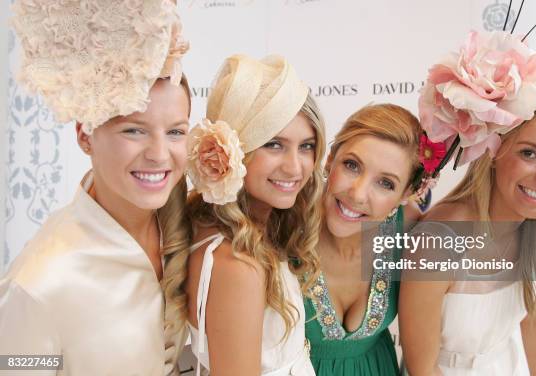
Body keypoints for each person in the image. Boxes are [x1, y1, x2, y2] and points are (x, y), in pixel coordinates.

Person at [0, 1, 191, 375]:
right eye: (133, 130)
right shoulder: (37, 286)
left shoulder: (188, 227)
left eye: (175, 132)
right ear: (85, 136)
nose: (159, 154)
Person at [399, 30, 536, 376]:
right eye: (530, 154)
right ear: (493, 151)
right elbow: (422, 368)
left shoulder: (535, 226)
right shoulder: (437, 242)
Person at [184, 54, 325, 376]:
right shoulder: (238, 266)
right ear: (235, 149)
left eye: (306, 146)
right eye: (274, 144)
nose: (295, 166)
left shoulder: (246, 231)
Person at [304, 103, 424, 376]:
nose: (358, 194)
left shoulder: (410, 230)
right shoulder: (285, 223)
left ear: (407, 193)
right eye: (352, 165)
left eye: (386, 183)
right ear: (330, 158)